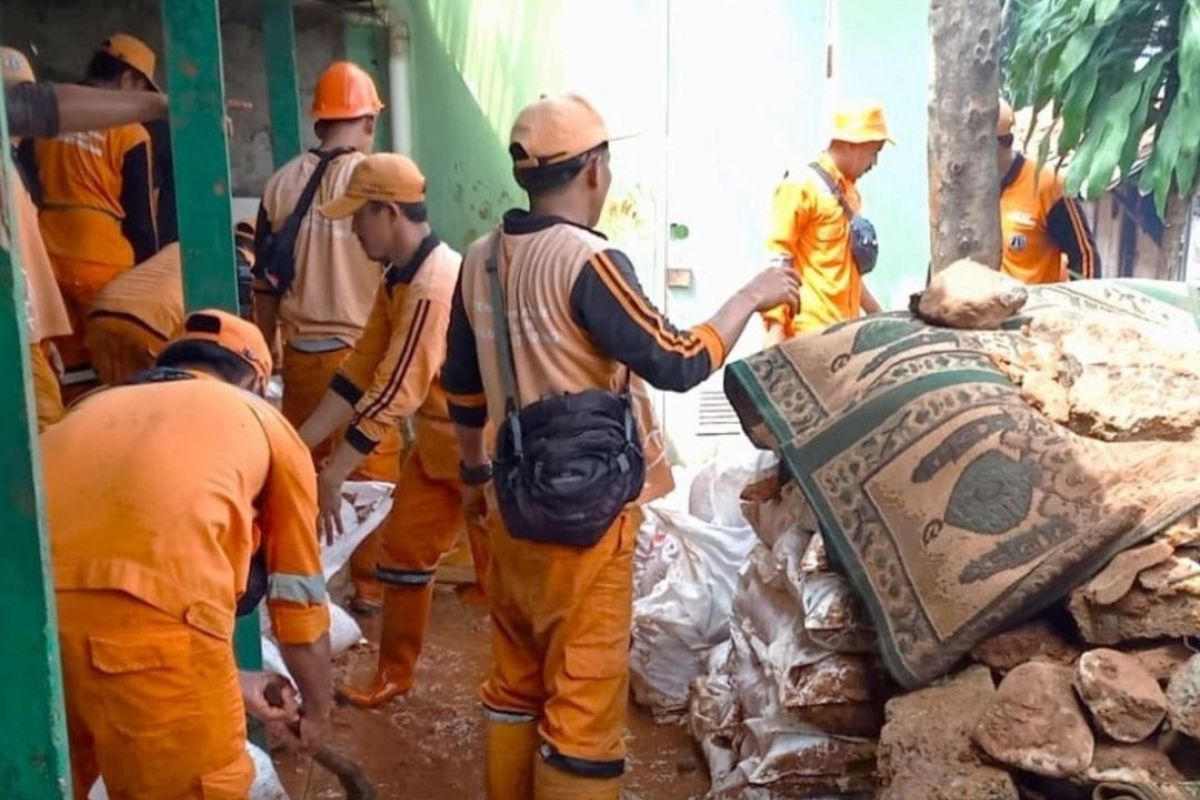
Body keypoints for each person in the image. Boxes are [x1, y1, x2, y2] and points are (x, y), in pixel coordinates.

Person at [443, 93, 799, 799]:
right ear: (596, 172)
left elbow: (461, 388)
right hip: (587, 522)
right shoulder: (588, 260)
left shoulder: (479, 259)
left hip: (510, 505)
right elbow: (676, 359)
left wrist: (474, 478)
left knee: (516, 684)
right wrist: (750, 296)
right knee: (581, 711)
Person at [43, 309, 332, 799]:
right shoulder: (261, 420)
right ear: (254, 381)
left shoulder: (87, 408)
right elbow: (296, 601)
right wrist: (320, 712)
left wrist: (231, 677)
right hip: (153, 641)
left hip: (30, 630)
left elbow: (105, 587)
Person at [298, 153, 487, 708]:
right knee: (403, 554)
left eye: (360, 216)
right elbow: (360, 369)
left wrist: (333, 473)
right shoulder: (396, 278)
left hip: (480, 453)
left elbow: (395, 388)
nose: (354, 229)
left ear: (389, 212)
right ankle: (395, 673)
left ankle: (526, 692)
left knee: (509, 581)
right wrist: (295, 445)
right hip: (437, 449)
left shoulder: (433, 282)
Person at [254, 60, 402, 612]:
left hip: (299, 356)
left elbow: (264, 281)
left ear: (320, 122)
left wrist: (265, 349)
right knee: (369, 477)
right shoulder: (379, 179)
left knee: (302, 475)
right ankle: (368, 590)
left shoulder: (279, 182)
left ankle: (304, 589)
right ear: (367, 121)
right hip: (360, 357)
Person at [31, 34, 162, 373]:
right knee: (112, 365)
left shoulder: (48, 118)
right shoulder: (131, 132)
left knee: (61, 366)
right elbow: (140, 219)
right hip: (103, 261)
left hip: (45, 256)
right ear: (129, 78)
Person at [763, 100, 892, 344]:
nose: (874, 163)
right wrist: (775, 329)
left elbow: (846, 274)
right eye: (873, 152)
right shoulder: (800, 186)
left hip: (844, 334)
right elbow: (779, 262)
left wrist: (880, 316)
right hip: (808, 336)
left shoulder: (851, 196)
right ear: (852, 145)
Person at [1, 47, 72, 430]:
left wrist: (45, 337)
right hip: (15, 334)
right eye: (9, 97)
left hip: (28, 333)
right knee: (49, 436)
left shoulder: (15, 167)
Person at [998, 99, 1099, 284]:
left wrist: (1082, 308)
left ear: (1003, 142)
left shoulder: (1047, 185)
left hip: (1036, 309)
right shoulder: (962, 189)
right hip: (979, 309)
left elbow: (1084, 257)